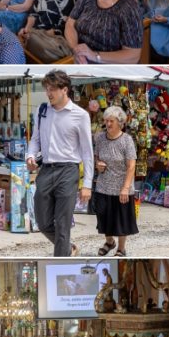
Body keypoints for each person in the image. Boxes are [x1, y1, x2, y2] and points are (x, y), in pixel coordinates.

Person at [26, 69, 93, 256]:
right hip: (46, 170)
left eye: (53, 89)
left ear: (65, 89)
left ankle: (61, 260)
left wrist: (87, 184)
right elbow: (35, 139)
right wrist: (30, 156)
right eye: (47, 89)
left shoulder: (80, 115)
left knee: (63, 225)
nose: (49, 93)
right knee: (42, 222)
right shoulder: (42, 111)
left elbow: (87, 151)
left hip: (68, 170)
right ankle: (68, 248)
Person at [64, 0, 143, 63]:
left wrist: (95, 56)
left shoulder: (129, 8)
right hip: (79, 57)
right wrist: (76, 49)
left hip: (108, 64)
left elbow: (133, 55)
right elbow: (70, 23)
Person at [93, 106, 138, 257]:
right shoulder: (100, 138)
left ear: (120, 122)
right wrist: (98, 164)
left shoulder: (127, 140)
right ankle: (109, 241)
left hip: (121, 187)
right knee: (103, 216)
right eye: (106, 121)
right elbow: (97, 157)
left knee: (121, 219)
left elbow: (131, 166)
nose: (108, 124)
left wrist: (125, 188)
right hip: (103, 185)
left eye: (111, 121)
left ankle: (121, 248)